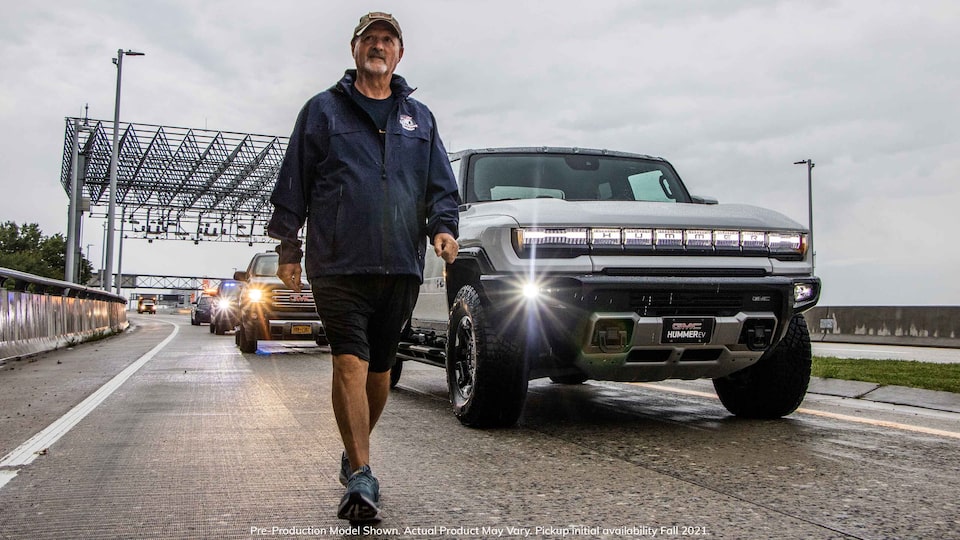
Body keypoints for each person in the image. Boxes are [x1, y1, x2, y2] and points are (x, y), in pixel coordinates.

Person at [266, 11, 460, 523]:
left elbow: (440, 184)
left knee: (380, 369)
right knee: (349, 360)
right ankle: (363, 475)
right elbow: (295, 179)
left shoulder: (420, 118)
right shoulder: (322, 111)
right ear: (354, 50)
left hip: (399, 262)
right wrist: (288, 247)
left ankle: (353, 456)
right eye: (369, 39)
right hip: (337, 261)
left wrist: (443, 227)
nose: (378, 47)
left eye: (387, 41)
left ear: (399, 54)